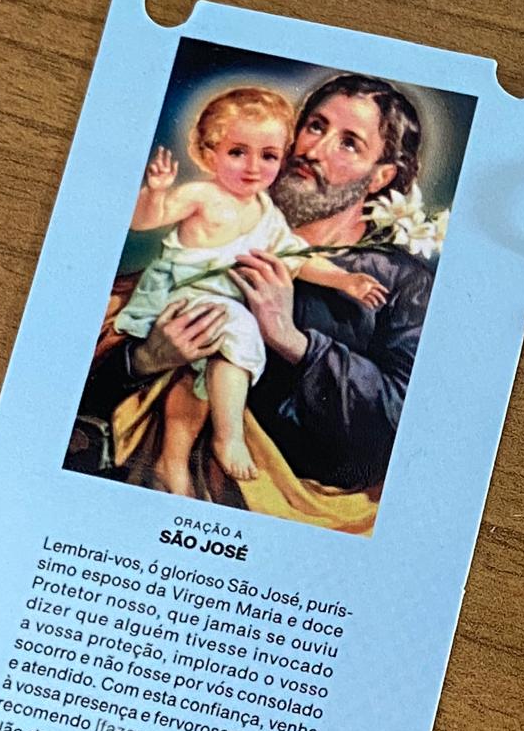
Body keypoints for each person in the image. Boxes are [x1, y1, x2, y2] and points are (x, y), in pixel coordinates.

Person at [76, 73, 437, 519]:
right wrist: (145, 359)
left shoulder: (403, 282)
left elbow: (404, 424)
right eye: (315, 126)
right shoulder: (223, 226)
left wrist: (293, 341)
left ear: (381, 176)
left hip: (300, 514)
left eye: (348, 143)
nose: (313, 150)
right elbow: (75, 373)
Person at [112, 87, 386, 493]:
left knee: (201, 381)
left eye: (269, 156)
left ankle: (173, 462)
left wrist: (343, 280)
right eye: (238, 152)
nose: (254, 168)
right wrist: (155, 192)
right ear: (209, 153)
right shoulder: (203, 194)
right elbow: (143, 221)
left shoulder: (266, 212)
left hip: (217, 308)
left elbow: (296, 257)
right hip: (182, 296)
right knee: (238, 329)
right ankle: (228, 437)